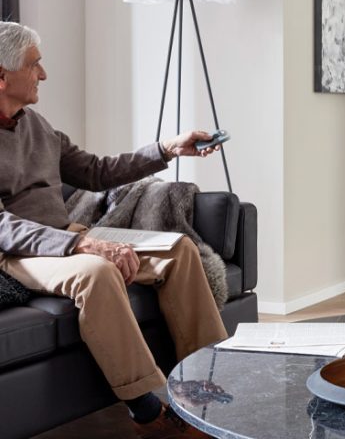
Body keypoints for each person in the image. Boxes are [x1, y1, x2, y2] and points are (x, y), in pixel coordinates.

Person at [0, 22, 226, 439]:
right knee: (98, 272)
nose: (43, 75)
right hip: (21, 254)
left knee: (179, 250)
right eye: (35, 65)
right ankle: (150, 412)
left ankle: (205, 383)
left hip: (67, 235)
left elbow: (95, 171)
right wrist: (82, 244)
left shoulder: (36, 125)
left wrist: (167, 149)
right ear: (2, 76)